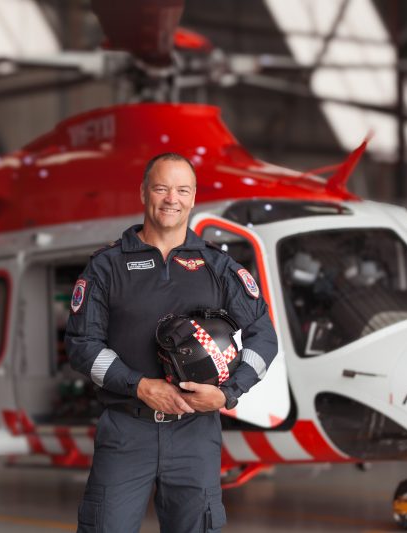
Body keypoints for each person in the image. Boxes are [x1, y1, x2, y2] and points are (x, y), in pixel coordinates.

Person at [65, 152, 277, 533]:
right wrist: (141, 386)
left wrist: (229, 392)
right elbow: (82, 344)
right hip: (126, 429)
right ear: (144, 192)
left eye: (182, 190)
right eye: (161, 188)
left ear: (194, 198)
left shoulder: (218, 266)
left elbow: (264, 334)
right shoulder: (107, 266)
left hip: (195, 434)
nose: (171, 199)